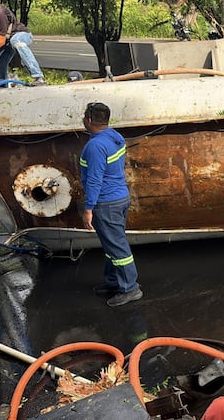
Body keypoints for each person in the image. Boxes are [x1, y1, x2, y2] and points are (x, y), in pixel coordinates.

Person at [80, 102, 142, 307]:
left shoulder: (95, 146)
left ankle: (130, 288)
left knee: (118, 248)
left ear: (89, 120)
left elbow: (95, 180)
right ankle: (113, 281)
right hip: (119, 198)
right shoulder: (114, 137)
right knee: (111, 245)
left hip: (106, 203)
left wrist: (88, 208)